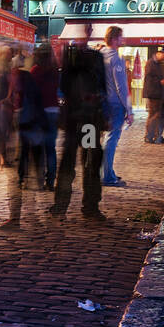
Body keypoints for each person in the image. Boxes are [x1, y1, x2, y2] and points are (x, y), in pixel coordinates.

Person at [50, 24, 107, 222]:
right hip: (82, 118)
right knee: (79, 162)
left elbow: (65, 85)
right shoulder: (79, 56)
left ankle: (71, 205)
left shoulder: (85, 56)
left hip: (82, 117)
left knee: (83, 162)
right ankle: (82, 206)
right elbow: (66, 85)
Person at [2, 53, 46, 227]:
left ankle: (16, 216)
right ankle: (35, 180)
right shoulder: (27, 76)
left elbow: (15, 96)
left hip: (23, 119)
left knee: (22, 152)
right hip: (30, 120)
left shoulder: (18, 77)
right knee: (29, 151)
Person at [100, 26, 134, 187]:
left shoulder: (100, 56)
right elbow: (122, 87)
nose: (123, 40)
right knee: (112, 139)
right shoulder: (117, 59)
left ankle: (108, 171)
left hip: (102, 103)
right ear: (114, 39)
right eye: (121, 37)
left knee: (104, 139)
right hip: (115, 103)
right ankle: (107, 176)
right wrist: (129, 110)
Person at [31, 41, 60, 190]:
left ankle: (40, 179)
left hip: (39, 112)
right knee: (51, 148)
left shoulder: (35, 71)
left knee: (39, 148)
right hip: (53, 111)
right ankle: (51, 181)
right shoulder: (55, 71)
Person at [143, 47, 164, 144]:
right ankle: (149, 136)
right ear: (159, 53)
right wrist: (161, 81)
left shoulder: (161, 63)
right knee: (154, 115)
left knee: (162, 116)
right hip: (154, 94)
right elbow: (149, 79)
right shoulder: (151, 63)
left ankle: (158, 136)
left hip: (163, 94)